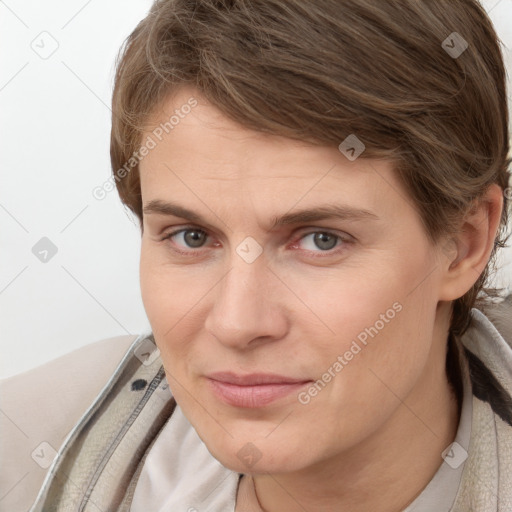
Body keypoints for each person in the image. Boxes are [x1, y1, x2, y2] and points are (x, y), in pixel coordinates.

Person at [1, 0, 511, 510]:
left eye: (320, 240)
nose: (237, 323)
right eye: (191, 237)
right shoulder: (25, 450)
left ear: (463, 244)